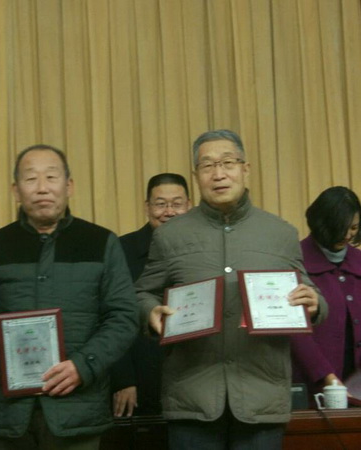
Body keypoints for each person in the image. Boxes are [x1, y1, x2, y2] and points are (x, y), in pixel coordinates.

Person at [136, 129, 327, 449]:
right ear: (196, 175)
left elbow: (309, 292)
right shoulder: (171, 236)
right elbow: (143, 293)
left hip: (260, 398)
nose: (219, 173)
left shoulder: (279, 233)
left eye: (228, 162)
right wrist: (149, 312)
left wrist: (315, 303)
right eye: (208, 165)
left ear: (245, 168)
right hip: (192, 398)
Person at [0, 144, 138, 449]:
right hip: (6, 416)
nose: (42, 188)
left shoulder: (101, 242)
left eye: (51, 177)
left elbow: (124, 317)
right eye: (30, 179)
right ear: (16, 190)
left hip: (76, 412)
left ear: (69, 186)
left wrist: (83, 366)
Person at [111, 173, 191, 417]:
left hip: (192, 376)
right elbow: (110, 317)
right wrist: (123, 379)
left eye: (177, 204)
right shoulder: (122, 250)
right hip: (140, 374)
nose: (169, 212)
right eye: (160, 204)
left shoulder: (200, 250)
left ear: (189, 206)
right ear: (147, 207)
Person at [291, 186, 361, 395]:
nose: (347, 235)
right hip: (313, 386)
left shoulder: (358, 261)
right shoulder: (295, 261)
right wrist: (327, 377)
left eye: (354, 228)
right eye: (340, 228)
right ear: (321, 224)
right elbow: (295, 333)